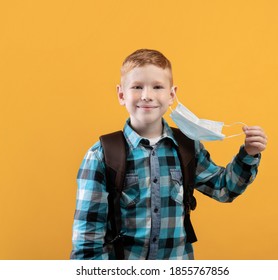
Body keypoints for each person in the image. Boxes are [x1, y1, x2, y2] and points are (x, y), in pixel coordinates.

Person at [70, 49, 267, 260]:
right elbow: (87, 239)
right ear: (121, 94)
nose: (147, 95)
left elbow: (224, 188)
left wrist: (248, 154)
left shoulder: (187, 147)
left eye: (157, 87)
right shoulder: (102, 155)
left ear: (171, 94)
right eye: (137, 87)